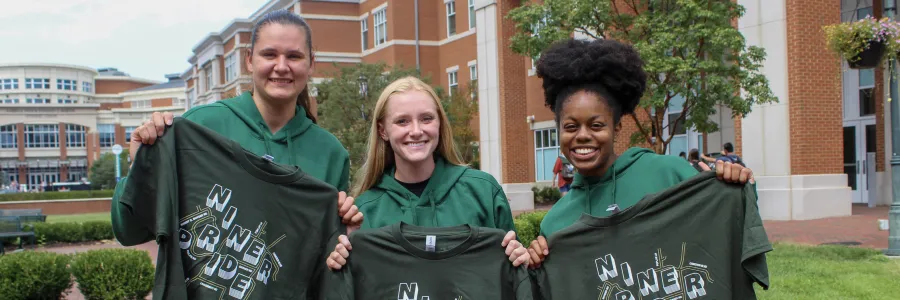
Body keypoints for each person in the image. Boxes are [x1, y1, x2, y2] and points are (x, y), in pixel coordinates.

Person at [111, 10, 362, 246]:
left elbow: (328, 250)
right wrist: (140, 165)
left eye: (294, 56)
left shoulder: (330, 153)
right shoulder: (201, 125)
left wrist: (346, 231)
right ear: (250, 60)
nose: (282, 66)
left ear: (311, 64)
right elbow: (130, 231)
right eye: (270, 54)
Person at [526, 38, 754, 267]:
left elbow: (727, 233)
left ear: (616, 127)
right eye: (571, 127)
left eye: (596, 125)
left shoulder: (669, 174)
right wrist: (538, 263)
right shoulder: (555, 223)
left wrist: (735, 184)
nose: (583, 135)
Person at [324, 76, 530, 270]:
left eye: (426, 118)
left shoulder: (483, 191)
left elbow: (513, 276)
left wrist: (523, 260)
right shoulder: (364, 212)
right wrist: (341, 261)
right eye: (402, 121)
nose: (416, 130)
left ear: (440, 124)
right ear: (383, 131)